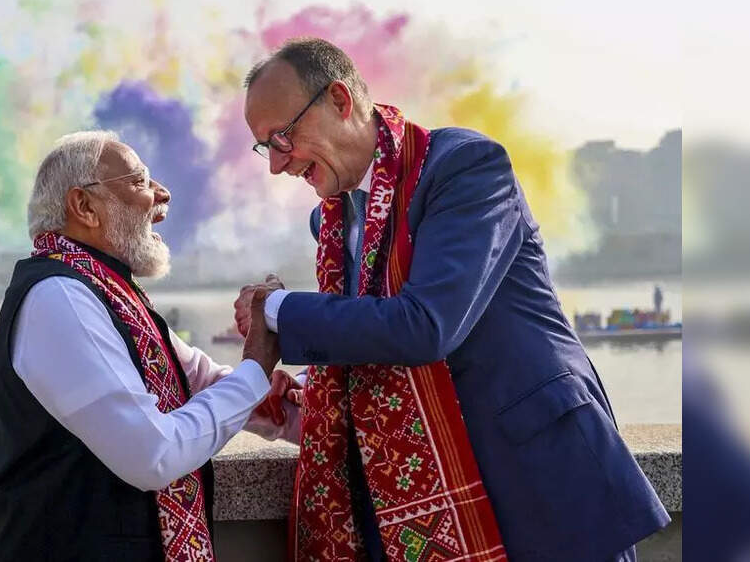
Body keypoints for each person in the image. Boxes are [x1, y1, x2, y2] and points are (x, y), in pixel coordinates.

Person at [236, 38, 670, 561]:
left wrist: (277, 310)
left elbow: (426, 325)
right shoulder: (331, 220)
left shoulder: (465, 168)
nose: (277, 167)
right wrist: (314, 392)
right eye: (266, 146)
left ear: (340, 100)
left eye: (284, 136)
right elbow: (374, 338)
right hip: (438, 492)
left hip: (540, 482)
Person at [0, 131, 300, 561]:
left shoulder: (106, 288)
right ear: (84, 207)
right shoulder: (58, 296)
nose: (161, 194)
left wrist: (293, 410)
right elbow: (152, 455)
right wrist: (257, 363)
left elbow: (198, 379)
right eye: (139, 181)